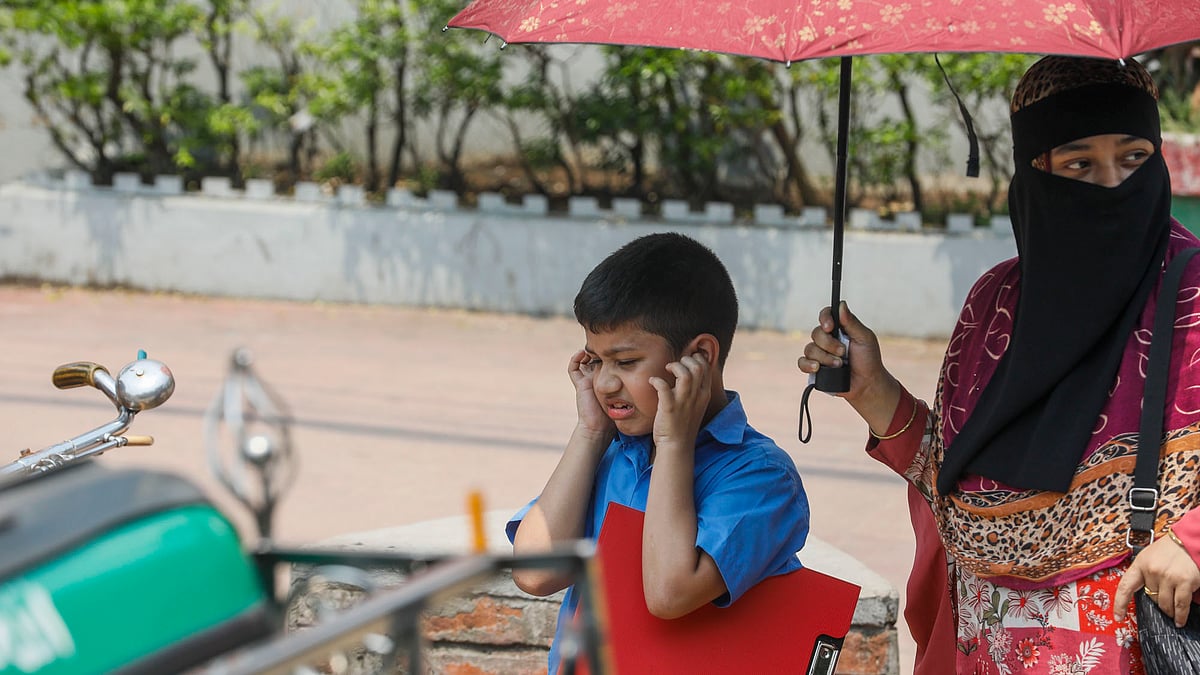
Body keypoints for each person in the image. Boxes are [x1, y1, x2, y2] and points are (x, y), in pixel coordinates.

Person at [800, 54, 1200, 674]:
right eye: (1078, 163)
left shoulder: (1193, 295)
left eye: (1133, 158)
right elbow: (954, 484)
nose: (1112, 183)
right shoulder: (996, 304)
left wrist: (1192, 542)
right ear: (1035, 172)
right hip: (987, 650)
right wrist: (871, 389)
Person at [508, 232, 810, 673]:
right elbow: (535, 572)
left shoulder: (761, 477)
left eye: (626, 362)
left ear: (700, 357)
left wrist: (674, 443)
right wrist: (590, 432)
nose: (605, 384)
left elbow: (669, 593)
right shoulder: (613, 450)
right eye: (595, 362)